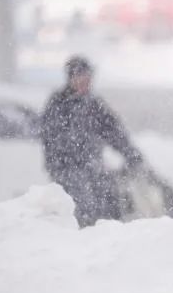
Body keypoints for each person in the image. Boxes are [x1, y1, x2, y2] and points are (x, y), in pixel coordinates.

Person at [40, 56, 146, 227]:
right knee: (84, 206)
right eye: (81, 77)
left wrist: (132, 155)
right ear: (71, 78)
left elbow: (115, 132)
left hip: (92, 166)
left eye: (88, 77)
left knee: (111, 199)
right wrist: (68, 160)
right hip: (66, 170)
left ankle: (112, 237)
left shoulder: (94, 105)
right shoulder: (58, 104)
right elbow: (52, 139)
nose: (85, 82)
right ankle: (84, 241)